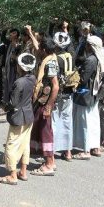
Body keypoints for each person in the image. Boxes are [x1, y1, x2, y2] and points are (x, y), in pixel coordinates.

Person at [0, 53, 37, 185]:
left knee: (11, 144)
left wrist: (5, 107)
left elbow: (14, 103)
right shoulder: (33, 78)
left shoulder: (19, 82)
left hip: (18, 116)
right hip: (28, 114)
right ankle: (23, 171)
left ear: (20, 67)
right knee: (25, 143)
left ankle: (12, 174)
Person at [72, 35, 104, 159]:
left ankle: (85, 150)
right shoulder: (101, 58)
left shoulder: (91, 60)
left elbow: (83, 78)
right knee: (93, 121)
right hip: (94, 94)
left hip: (86, 94)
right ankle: (95, 147)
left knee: (85, 122)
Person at [30, 38, 60, 176]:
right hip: (42, 101)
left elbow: (55, 86)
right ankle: (51, 160)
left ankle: (48, 164)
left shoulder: (50, 63)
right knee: (43, 130)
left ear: (44, 50)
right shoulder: (50, 58)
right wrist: (30, 34)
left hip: (44, 102)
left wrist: (48, 106)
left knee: (45, 132)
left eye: (40, 48)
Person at [53, 32, 76, 161]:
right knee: (67, 121)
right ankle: (68, 151)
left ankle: (52, 149)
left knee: (54, 120)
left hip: (59, 93)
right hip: (69, 92)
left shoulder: (56, 59)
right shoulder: (71, 56)